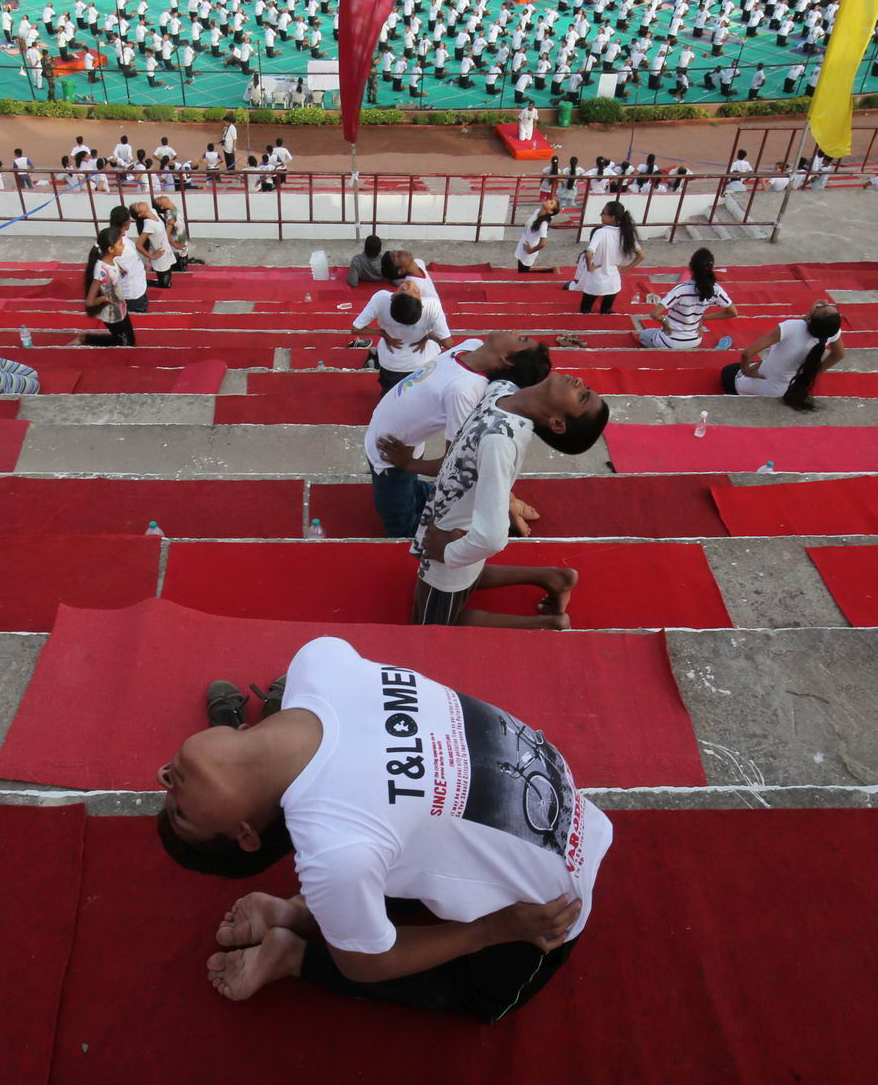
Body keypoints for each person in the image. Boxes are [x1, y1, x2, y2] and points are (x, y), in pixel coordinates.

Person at [159, 634, 607, 1017]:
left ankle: (301, 922)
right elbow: (364, 965)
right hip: (546, 913)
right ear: (245, 833)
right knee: (483, 996)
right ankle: (297, 951)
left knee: (374, 854)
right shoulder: (320, 663)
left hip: (554, 877)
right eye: (180, 811)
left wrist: (498, 928)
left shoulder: (317, 662)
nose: (164, 780)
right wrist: (492, 931)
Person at [411, 371, 608, 628]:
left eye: (582, 396)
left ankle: (547, 625)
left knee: (432, 627)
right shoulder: (503, 390)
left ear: (558, 423)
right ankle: (553, 578)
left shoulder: (498, 440)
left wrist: (447, 553)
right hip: (457, 525)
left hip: (452, 540)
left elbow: (492, 537)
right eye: (586, 388)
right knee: (468, 572)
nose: (579, 382)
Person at [364, 333, 551, 537]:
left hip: (391, 459)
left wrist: (407, 464)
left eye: (521, 340)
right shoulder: (471, 346)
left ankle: (491, 520)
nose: (515, 334)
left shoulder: (463, 391)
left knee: (402, 528)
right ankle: (504, 503)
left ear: (507, 358)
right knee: (410, 490)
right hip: (391, 444)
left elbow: (454, 463)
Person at [723, 300, 847, 411]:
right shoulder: (830, 331)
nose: (825, 302)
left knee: (728, 371)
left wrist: (747, 371)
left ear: (810, 319)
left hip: (764, 386)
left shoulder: (791, 326)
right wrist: (812, 373)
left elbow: (747, 354)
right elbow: (838, 355)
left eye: (823, 307)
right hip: (790, 388)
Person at [352, 271, 452, 392]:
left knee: (390, 394)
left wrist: (383, 333)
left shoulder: (381, 298)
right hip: (423, 363)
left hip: (391, 363)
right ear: (420, 302)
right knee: (419, 395)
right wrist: (427, 335)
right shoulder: (432, 305)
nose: (411, 284)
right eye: (407, 288)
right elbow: (448, 343)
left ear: (393, 296)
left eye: (413, 290)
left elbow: (356, 328)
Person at [638, 248, 737, 349]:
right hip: (694, 341)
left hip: (669, 342)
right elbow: (733, 313)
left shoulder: (680, 290)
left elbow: (654, 314)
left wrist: (664, 321)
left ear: (690, 267)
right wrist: (703, 318)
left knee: (644, 335)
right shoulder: (716, 289)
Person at [573, 200, 641, 314]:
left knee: (585, 311)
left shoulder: (600, 232)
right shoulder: (626, 233)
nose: (601, 215)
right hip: (613, 280)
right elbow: (641, 256)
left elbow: (589, 253)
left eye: (603, 213)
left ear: (612, 217)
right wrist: (626, 269)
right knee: (606, 310)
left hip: (596, 279)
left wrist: (590, 268)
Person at [77, 227, 136, 346]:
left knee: (130, 340)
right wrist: (103, 299)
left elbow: (112, 269)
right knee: (125, 343)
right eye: (120, 244)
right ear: (110, 249)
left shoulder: (111, 259)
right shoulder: (101, 272)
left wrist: (119, 270)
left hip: (120, 306)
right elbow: (89, 302)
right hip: (112, 313)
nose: (123, 246)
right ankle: (86, 339)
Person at [513, 201, 556, 272]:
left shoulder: (543, 224)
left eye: (551, 203)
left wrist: (530, 250)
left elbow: (543, 243)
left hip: (529, 250)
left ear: (550, 211)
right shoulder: (537, 211)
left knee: (523, 274)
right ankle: (551, 271)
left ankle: (550, 272)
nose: (548, 201)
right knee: (521, 271)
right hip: (523, 244)